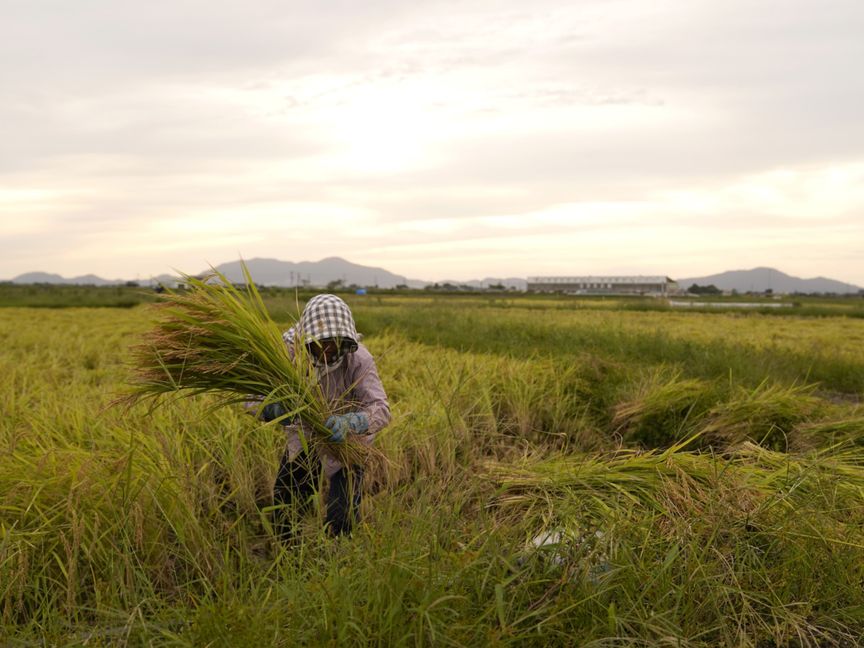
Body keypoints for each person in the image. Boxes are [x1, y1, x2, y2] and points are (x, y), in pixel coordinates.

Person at [260, 294, 390, 542]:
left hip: (349, 442)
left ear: (344, 339)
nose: (326, 349)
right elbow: (254, 395)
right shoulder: (290, 356)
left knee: (342, 515)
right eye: (320, 342)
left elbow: (381, 407)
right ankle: (290, 555)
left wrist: (353, 422)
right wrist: (273, 409)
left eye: (333, 342)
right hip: (305, 436)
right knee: (287, 504)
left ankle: (339, 560)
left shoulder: (359, 359)